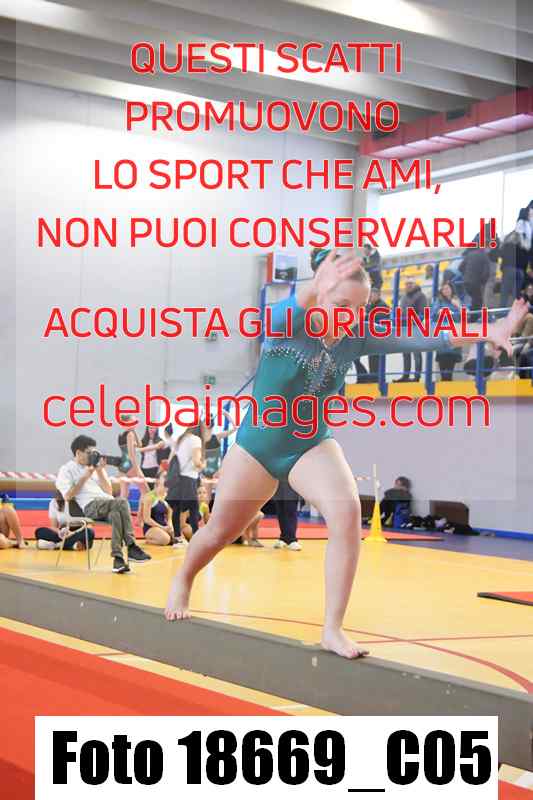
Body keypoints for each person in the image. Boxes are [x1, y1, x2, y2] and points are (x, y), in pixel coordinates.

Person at [165, 249, 528, 659]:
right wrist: (308, 291)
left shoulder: (356, 337)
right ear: (320, 295)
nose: (350, 317)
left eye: (360, 307)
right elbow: (278, 316)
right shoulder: (290, 325)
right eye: (341, 305)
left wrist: (490, 329)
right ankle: (183, 580)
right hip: (256, 448)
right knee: (219, 533)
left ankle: (332, 629)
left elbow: (425, 335)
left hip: (309, 444)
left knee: (347, 513)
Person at [56, 435, 150, 573]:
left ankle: (118, 560)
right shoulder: (67, 469)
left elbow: (109, 491)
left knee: (116, 514)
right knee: (122, 502)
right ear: (78, 452)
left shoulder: (95, 468)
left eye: (94, 453)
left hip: (107, 504)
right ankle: (131, 546)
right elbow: (68, 496)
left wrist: (99, 471)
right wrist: (85, 477)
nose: (92, 456)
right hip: (90, 506)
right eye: (89, 453)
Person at [164, 425, 206, 538]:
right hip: (189, 479)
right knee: (194, 509)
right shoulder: (196, 439)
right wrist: (203, 465)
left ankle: (177, 538)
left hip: (177, 478)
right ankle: (196, 537)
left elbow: (171, 459)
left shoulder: (181, 439)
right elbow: (196, 462)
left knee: (176, 509)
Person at [394, 278, 428, 382]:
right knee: (405, 352)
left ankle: (417, 376)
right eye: (406, 283)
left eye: (410, 283)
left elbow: (423, 313)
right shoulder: (404, 297)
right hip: (404, 328)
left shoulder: (421, 296)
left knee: (416, 353)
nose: (408, 285)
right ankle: (406, 375)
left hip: (415, 327)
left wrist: (415, 323)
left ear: (414, 284)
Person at [431, 283, 463, 381]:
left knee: (450, 366)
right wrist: (440, 311)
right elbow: (433, 314)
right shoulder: (439, 301)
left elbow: (466, 315)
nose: (446, 290)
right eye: (443, 289)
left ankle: (448, 384)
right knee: (443, 363)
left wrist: (458, 306)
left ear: (452, 289)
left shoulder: (457, 301)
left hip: (454, 334)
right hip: (442, 334)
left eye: (447, 288)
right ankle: (444, 385)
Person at [140, 475, 180, 546]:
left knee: (178, 535)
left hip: (163, 526)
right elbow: (146, 519)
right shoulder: (149, 497)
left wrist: (170, 525)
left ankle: (168, 538)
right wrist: (163, 528)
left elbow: (169, 517)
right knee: (165, 539)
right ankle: (149, 540)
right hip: (151, 528)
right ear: (158, 482)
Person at [202, 411, 236, 478]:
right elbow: (235, 428)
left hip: (213, 474)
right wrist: (226, 414)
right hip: (211, 474)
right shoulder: (217, 437)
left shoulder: (216, 437)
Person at [460, 243, 491, 313]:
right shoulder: (485, 256)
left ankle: (468, 314)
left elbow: (460, 268)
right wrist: (483, 282)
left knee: (469, 300)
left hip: (466, 282)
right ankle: (474, 317)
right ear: (485, 247)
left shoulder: (470, 254)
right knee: (478, 301)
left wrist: (466, 276)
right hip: (476, 283)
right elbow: (487, 272)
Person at [272, 480, 301, 550]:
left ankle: (292, 540)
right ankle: (283, 538)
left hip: (291, 482)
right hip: (278, 482)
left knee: (290, 509)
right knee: (280, 510)